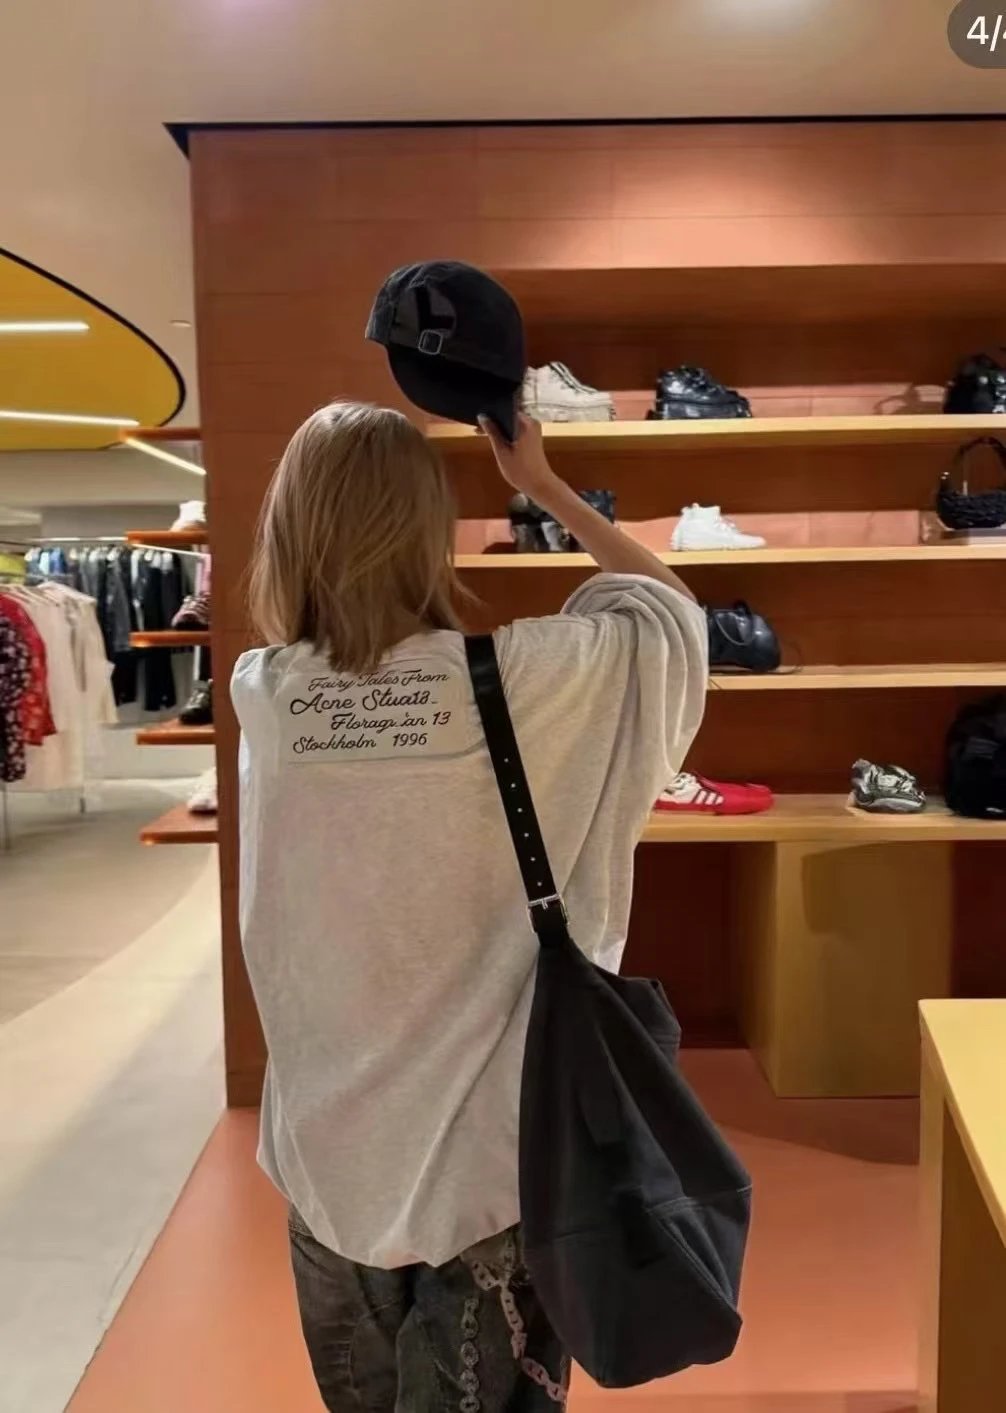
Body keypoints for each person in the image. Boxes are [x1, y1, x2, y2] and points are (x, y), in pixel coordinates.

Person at [232, 402, 707, 1411]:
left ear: (287, 532)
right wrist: (542, 486)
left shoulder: (266, 693)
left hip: (327, 1158)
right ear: (427, 527)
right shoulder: (531, 677)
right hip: (498, 1159)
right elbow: (671, 619)